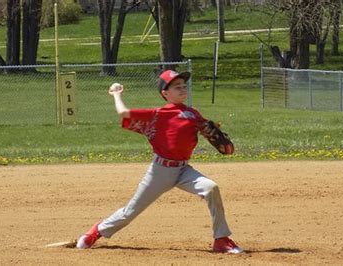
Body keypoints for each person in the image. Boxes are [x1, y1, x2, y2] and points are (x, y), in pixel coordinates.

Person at [76, 70, 243, 254]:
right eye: (176, 87)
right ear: (165, 93)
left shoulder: (192, 114)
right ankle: (96, 232)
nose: (182, 89)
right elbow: (124, 113)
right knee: (130, 212)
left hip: (183, 170)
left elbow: (208, 131)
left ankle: (221, 239)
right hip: (160, 171)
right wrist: (116, 94)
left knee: (211, 188)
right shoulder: (158, 114)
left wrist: (211, 133)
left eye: (183, 86)